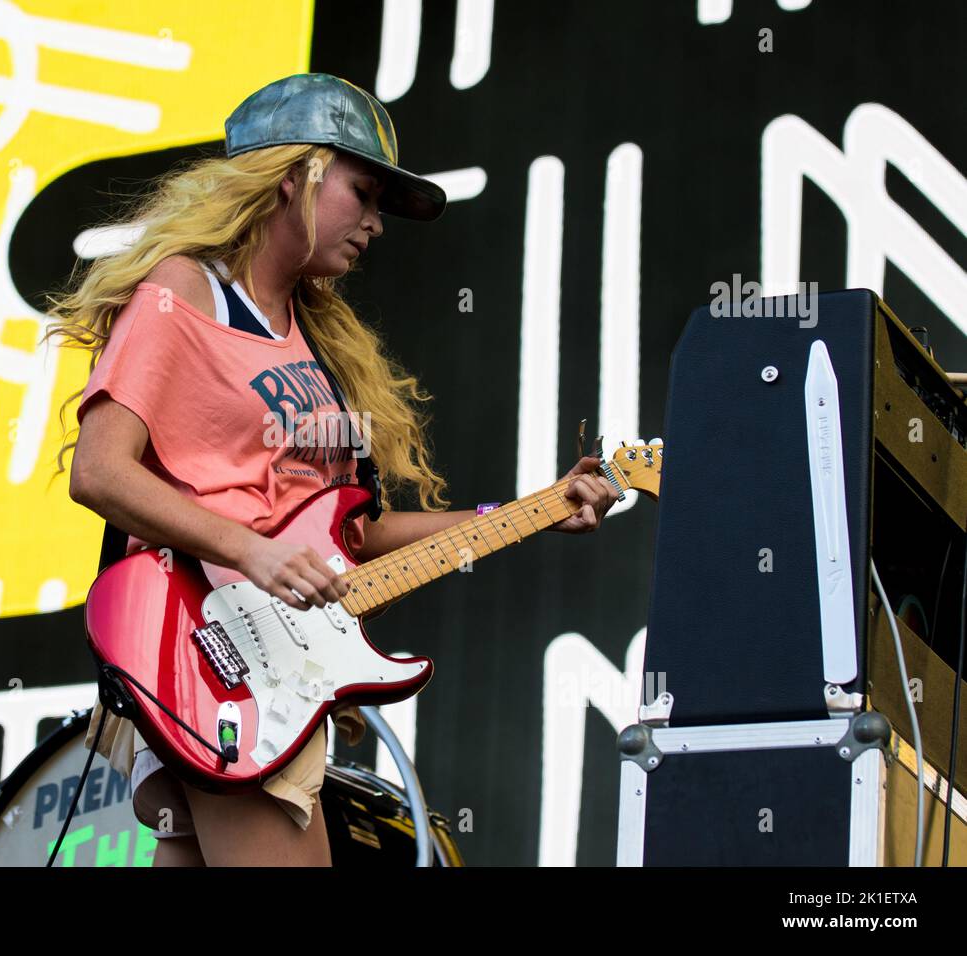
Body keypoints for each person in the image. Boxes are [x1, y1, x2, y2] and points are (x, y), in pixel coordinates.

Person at [46, 73, 617, 866]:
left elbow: (359, 533)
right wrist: (251, 550)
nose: (376, 224)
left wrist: (537, 508)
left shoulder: (316, 345)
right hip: (205, 645)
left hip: (270, 669)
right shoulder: (187, 289)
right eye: (364, 192)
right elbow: (101, 472)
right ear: (295, 174)